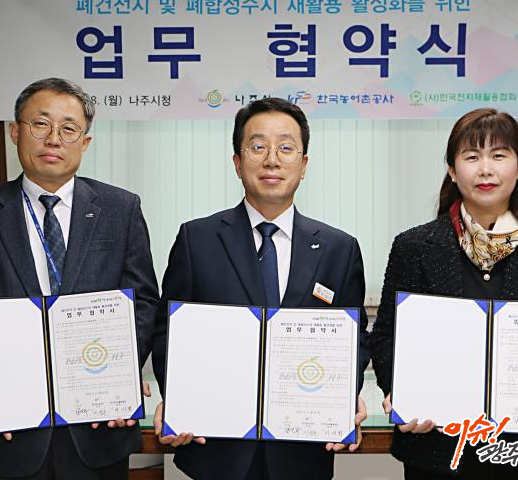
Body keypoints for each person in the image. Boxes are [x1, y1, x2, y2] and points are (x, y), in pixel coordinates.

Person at [0, 78, 159, 479]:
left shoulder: (120, 208)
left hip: (96, 426)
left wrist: (119, 374)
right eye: (41, 124)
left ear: (85, 143)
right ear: (15, 132)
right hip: (8, 428)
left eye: (68, 128)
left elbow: (143, 302)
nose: (54, 139)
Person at [369, 108, 518, 479]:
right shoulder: (414, 246)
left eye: (499, 155)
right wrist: (399, 390)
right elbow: (385, 335)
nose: (486, 169)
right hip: (438, 448)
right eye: (472, 157)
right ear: (452, 170)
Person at [151, 97, 369, 480]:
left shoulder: (339, 248)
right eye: (257, 147)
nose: (272, 160)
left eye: (286, 148)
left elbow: (355, 338)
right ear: (237, 162)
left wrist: (343, 396)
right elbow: (168, 332)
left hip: (302, 451)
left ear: (304, 164)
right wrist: (178, 398)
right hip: (216, 448)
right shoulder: (196, 239)